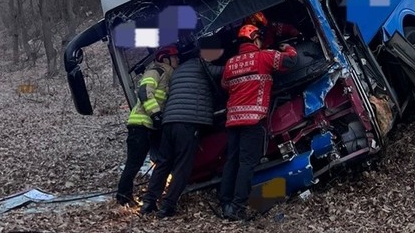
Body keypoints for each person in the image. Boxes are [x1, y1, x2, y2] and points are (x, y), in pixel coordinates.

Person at [218, 24, 298, 221]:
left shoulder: (230, 63)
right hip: (253, 119)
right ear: (255, 40)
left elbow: (224, 85)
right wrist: (288, 48)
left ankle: (225, 202)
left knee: (232, 161)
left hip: (233, 119)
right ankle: (237, 207)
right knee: (247, 163)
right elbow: (291, 62)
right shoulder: (264, 56)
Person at [140, 36, 225, 218]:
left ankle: (148, 202)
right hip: (188, 122)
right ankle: (167, 206)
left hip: (169, 122)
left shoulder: (177, 72)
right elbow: (223, 72)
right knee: (183, 166)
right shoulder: (203, 66)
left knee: (163, 163)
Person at [116, 44, 179, 207]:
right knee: (134, 163)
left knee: (162, 160)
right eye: (175, 57)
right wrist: (156, 114)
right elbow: (144, 91)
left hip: (151, 126)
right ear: (165, 58)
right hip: (141, 125)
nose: (177, 59)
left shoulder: (167, 75)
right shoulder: (156, 71)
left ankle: (158, 193)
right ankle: (123, 197)